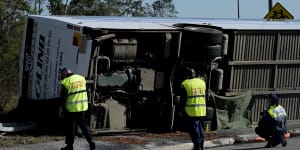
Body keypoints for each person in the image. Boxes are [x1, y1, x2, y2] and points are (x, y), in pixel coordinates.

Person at [59, 68, 96, 150]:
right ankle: (91, 142)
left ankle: (69, 146)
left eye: (62, 75)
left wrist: (61, 109)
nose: (62, 77)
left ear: (65, 73)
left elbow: (63, 97)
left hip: (71, 109)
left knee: (70, 127)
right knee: (83, 125)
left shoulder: (66, 81)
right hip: (82, 107)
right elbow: (86, 91)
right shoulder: (81, 78)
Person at [179, 67, 207, 150]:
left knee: (194, 130)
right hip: (202, 110)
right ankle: (201, 146)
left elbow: (183, 99)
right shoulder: (202, 82)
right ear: (194, 74)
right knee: (201, 129)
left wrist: (181, 110)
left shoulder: (185, 84)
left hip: (191, 111)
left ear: (187, 75)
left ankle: (197, 147)